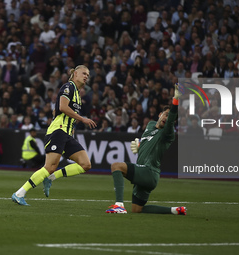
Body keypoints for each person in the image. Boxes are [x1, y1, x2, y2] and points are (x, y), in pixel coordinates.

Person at [12, 65, 97, 206]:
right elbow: (63, 107)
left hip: (67, 134)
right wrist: (82, 119)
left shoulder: (77, 93)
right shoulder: (68, 87)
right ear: (75, 74)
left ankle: (51, 178)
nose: (86, 76)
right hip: (58, 131)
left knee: (85, 164)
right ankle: (19, 193)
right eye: (84, 73)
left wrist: (73, 128)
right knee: (50, 166)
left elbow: (58, 111)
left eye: (88, 75)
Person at [105, 84, 186, 215]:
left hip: (149, 172)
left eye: (169, 116)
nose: (166, 118)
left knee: (116, 166)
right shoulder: (151, 125)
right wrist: (140, 146)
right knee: (137, 210)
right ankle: (174, 210)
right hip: (146, 174)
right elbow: (147, 141)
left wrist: (176, 99)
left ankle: (119, 205)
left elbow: (171, 119)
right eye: (165, 114)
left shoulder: (168, 133)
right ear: (160, 115)